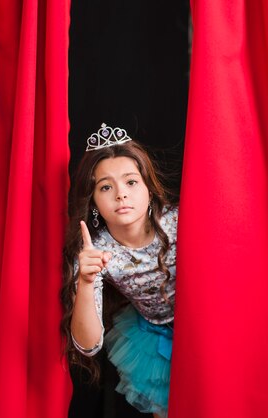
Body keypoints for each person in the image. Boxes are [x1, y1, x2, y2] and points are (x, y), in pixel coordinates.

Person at [61, 123, 179, 418]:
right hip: (154, 340)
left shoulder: (180, 222)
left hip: (204, 329)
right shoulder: (95, 253)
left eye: (130, 182)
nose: (120, 195)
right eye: (105, 186)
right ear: (94, 202)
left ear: (149, 189)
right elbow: (87, 347)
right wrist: (86, 282)